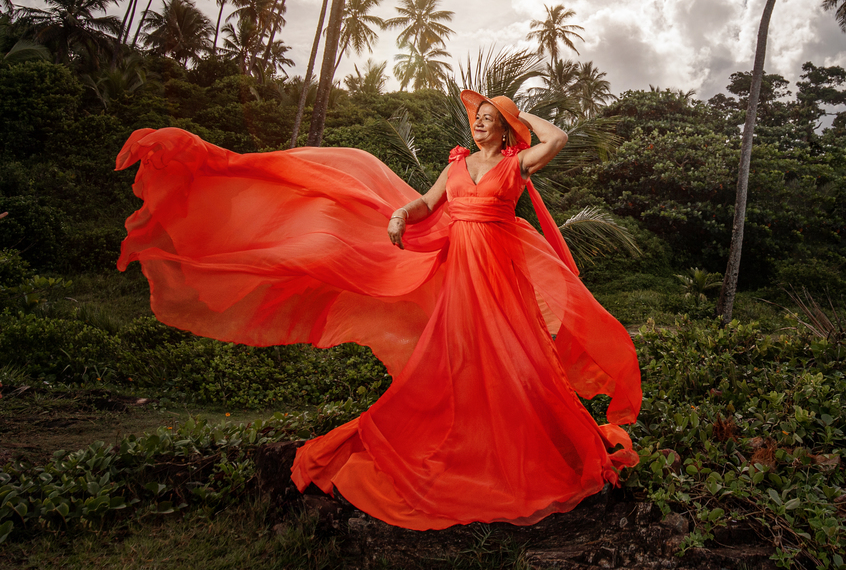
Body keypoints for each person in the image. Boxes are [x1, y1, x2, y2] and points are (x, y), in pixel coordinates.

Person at [115, 91, 641, 531]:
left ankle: (533, 445)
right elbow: (429, 204)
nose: (478, 121)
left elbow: (559, 139)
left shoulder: (516, 163)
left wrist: (516, 113)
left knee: (517, 356)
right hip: (459, 270)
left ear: (505, 129)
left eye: (489, 117)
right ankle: (464, 440)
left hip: (500, 275)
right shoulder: (456, 164)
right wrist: (399, 215)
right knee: (457, 358)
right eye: (476, 116)